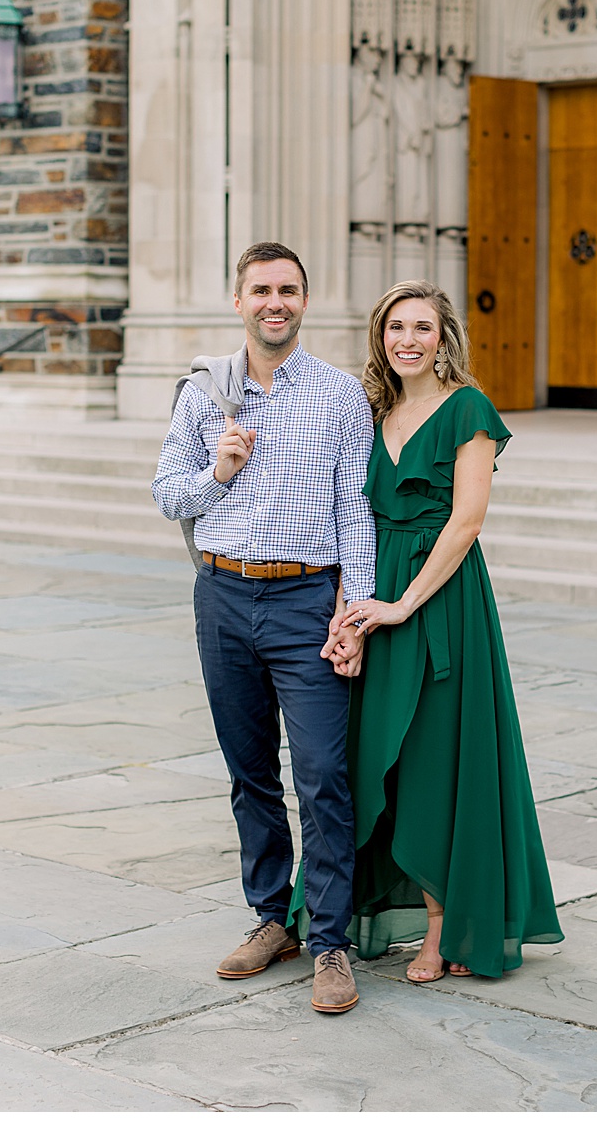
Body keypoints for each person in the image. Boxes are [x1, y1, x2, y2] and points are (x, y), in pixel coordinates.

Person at [296, 279, 562, 981]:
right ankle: (346, 911)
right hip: (375, 592)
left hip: (439, 601)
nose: (407, 340)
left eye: (422, 327)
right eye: (394, 328)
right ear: (379, 338)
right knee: (373, 754)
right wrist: (351, 611)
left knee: (437, 757)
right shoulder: (372, 410)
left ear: (445, 337)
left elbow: (466, 521)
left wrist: (403, 604)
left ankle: (445, 928)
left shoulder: (467, 409)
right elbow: (353, 520)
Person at [152, 242, 375, 1015]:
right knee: (249, 772)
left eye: (287, 290)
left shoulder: (342, 395)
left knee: (321, 776)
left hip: (306, 601)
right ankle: (269, 919)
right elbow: (167, 494)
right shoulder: (203, 396)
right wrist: (218, 472)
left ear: (304, 302)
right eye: (260, 290)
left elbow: (355, 509)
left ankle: (330, 944)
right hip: (221, 596)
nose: (274, 302)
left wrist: (358, 611)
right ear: (237, 300)